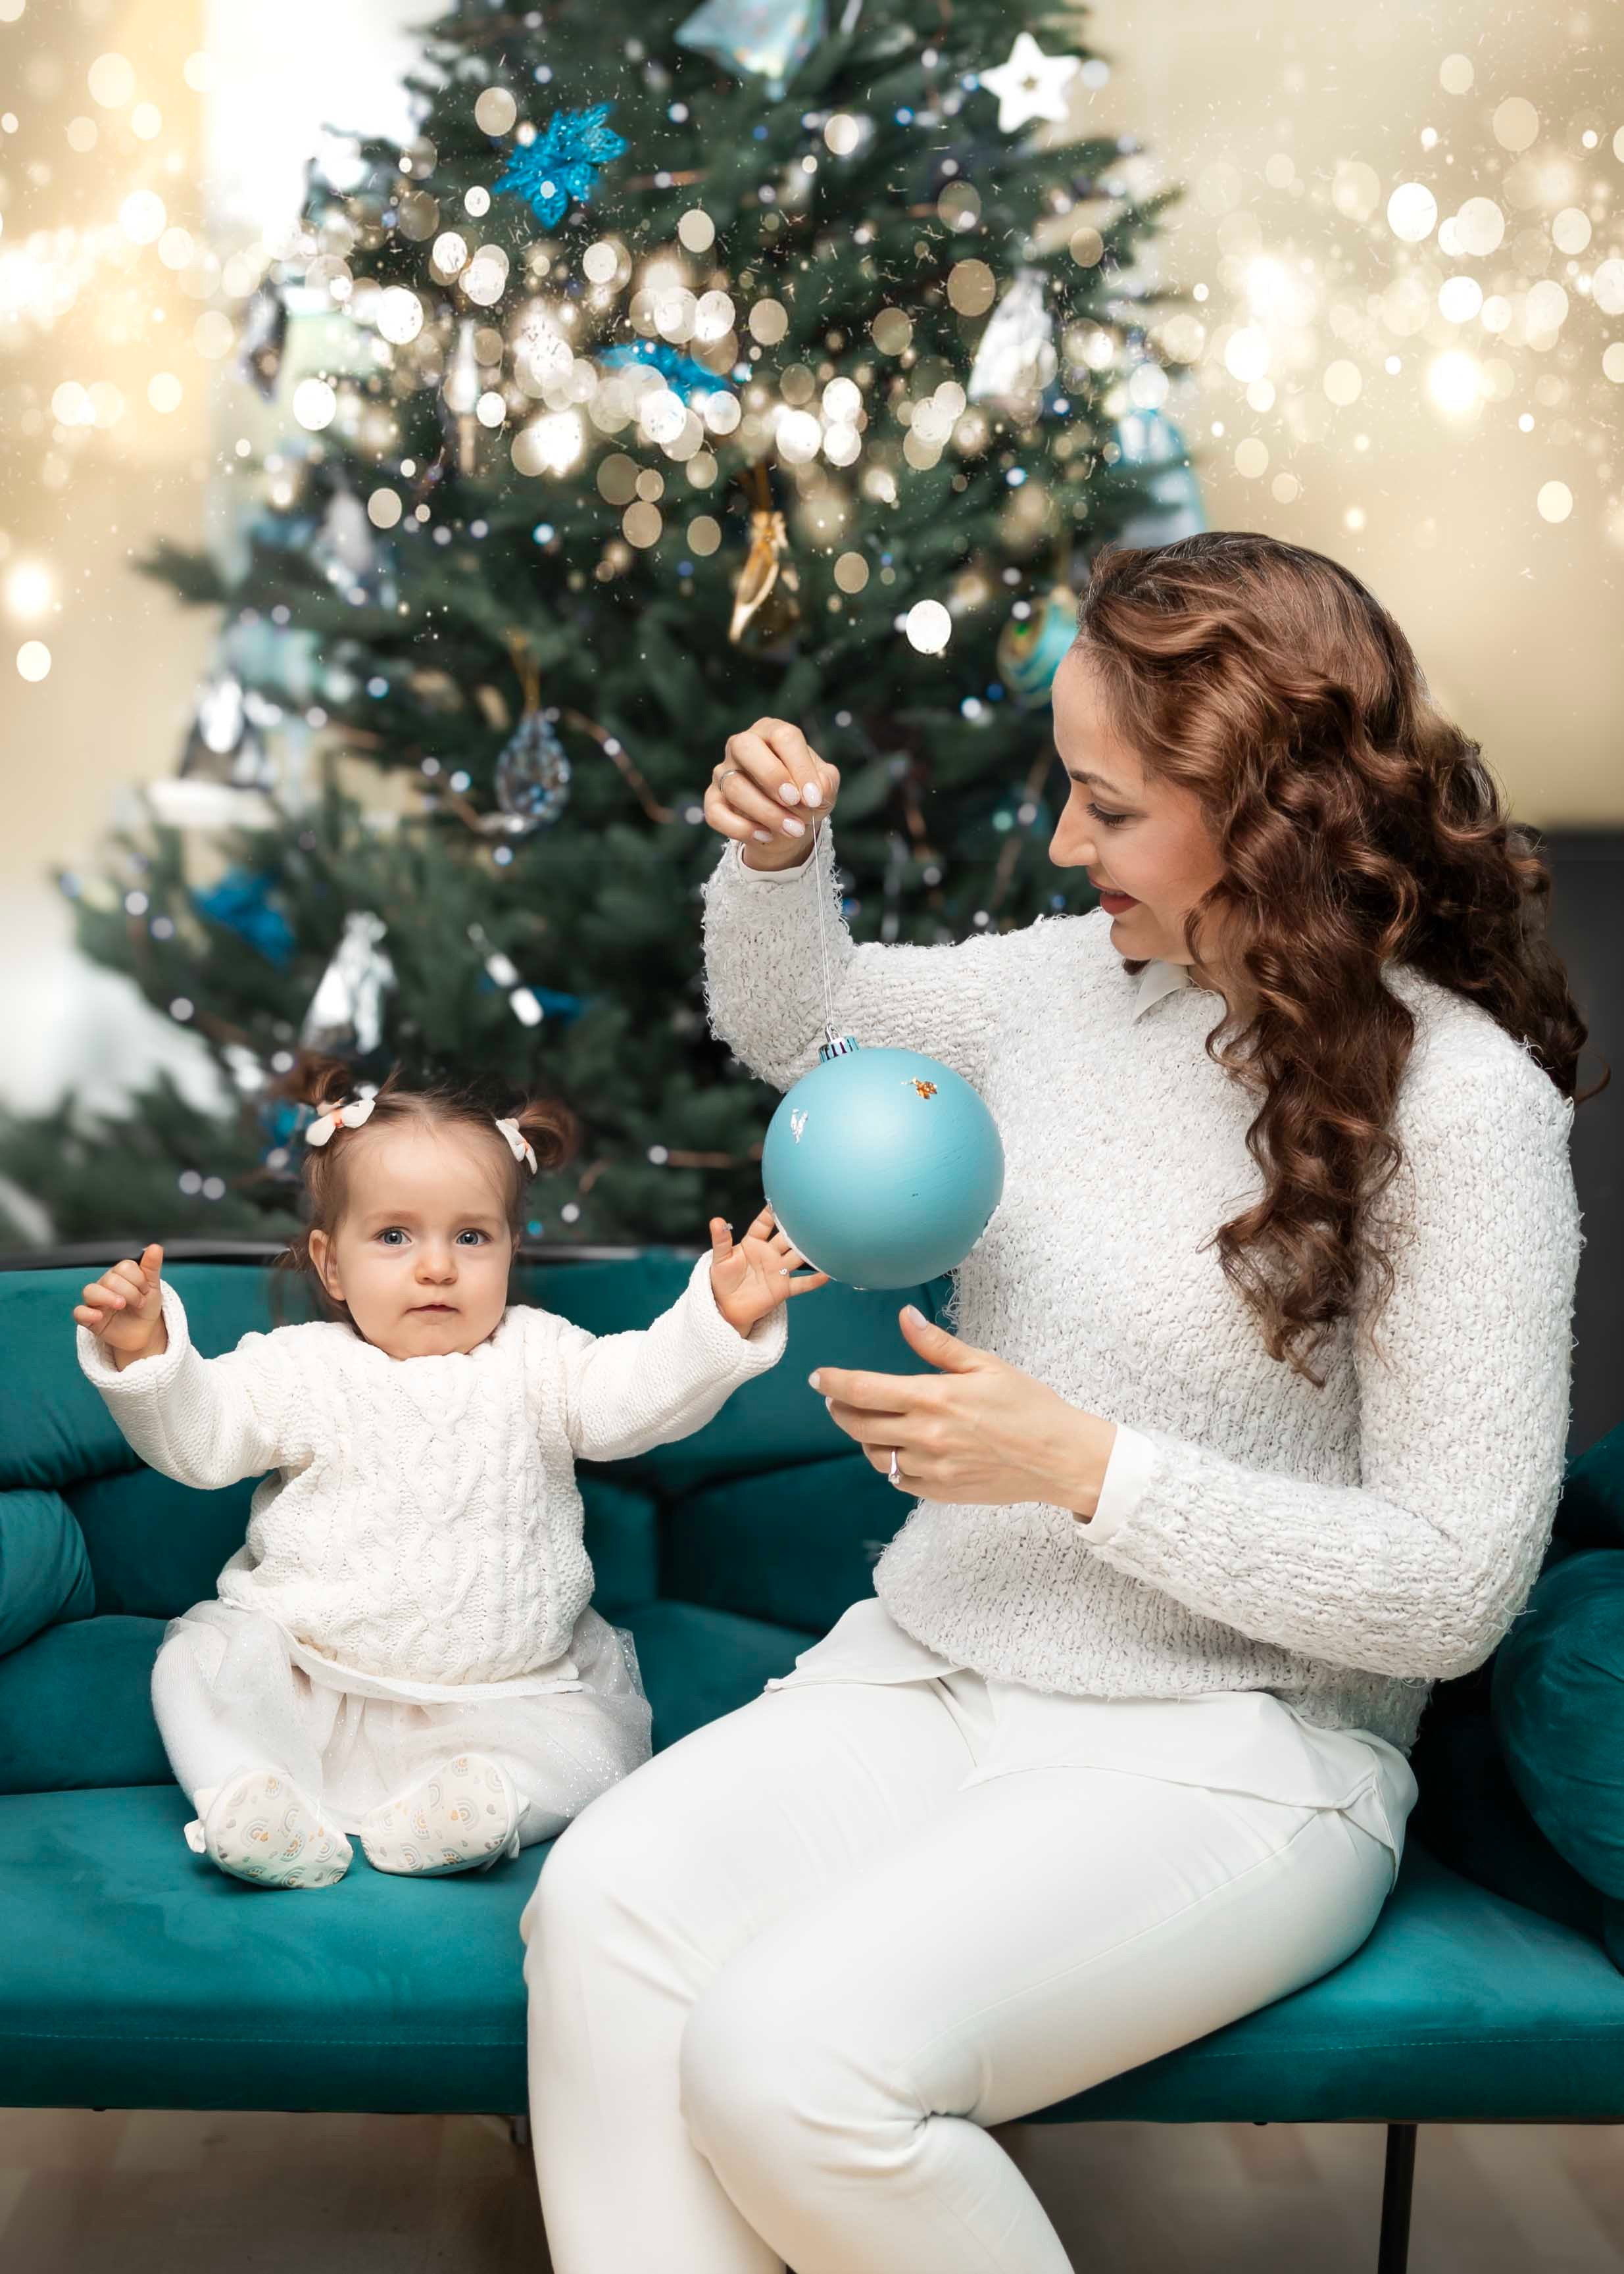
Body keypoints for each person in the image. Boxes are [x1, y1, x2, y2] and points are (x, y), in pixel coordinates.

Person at [521, 531, 1594, 2274]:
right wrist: (782, 863)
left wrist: (1086, 1469)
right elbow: (805, 1028)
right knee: (603, 1915)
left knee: (793, 2065)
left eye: (1103, 805)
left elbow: (1455, 1588)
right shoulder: (1064, 991)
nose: (1059, 841)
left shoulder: (1457, 1113)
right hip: (935, 1671)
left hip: (1242, 1755)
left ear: (1263, 820)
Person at [72, 1058, 824, 1889]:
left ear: (508, 1248)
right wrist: (146, 1352)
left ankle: (479, 1810)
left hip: (507, 1696)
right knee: (198, 1662)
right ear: (330, 1263)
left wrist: (716, 1319)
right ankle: (254, 1801)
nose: (437, 1267)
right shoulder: (300, 1368)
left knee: (597, 1746)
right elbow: (203, 1439)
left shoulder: (542, 1356)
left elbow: (633, 1396)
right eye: (395, 1236)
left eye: (471, 1236)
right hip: (314, 1680)